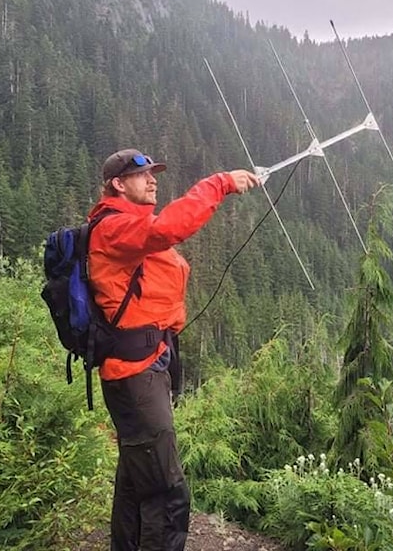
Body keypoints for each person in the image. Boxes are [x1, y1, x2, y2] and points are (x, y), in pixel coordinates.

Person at [86, 148, 261, 551]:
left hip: (150, 362)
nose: (153, 181)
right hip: (135, 372)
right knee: (167, 493)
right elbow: (168, 230)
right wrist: (219, 184)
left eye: (154, 175)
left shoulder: (131, 225)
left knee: (136, 480)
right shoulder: (113, 229)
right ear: (118, 184)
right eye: (143, 176)